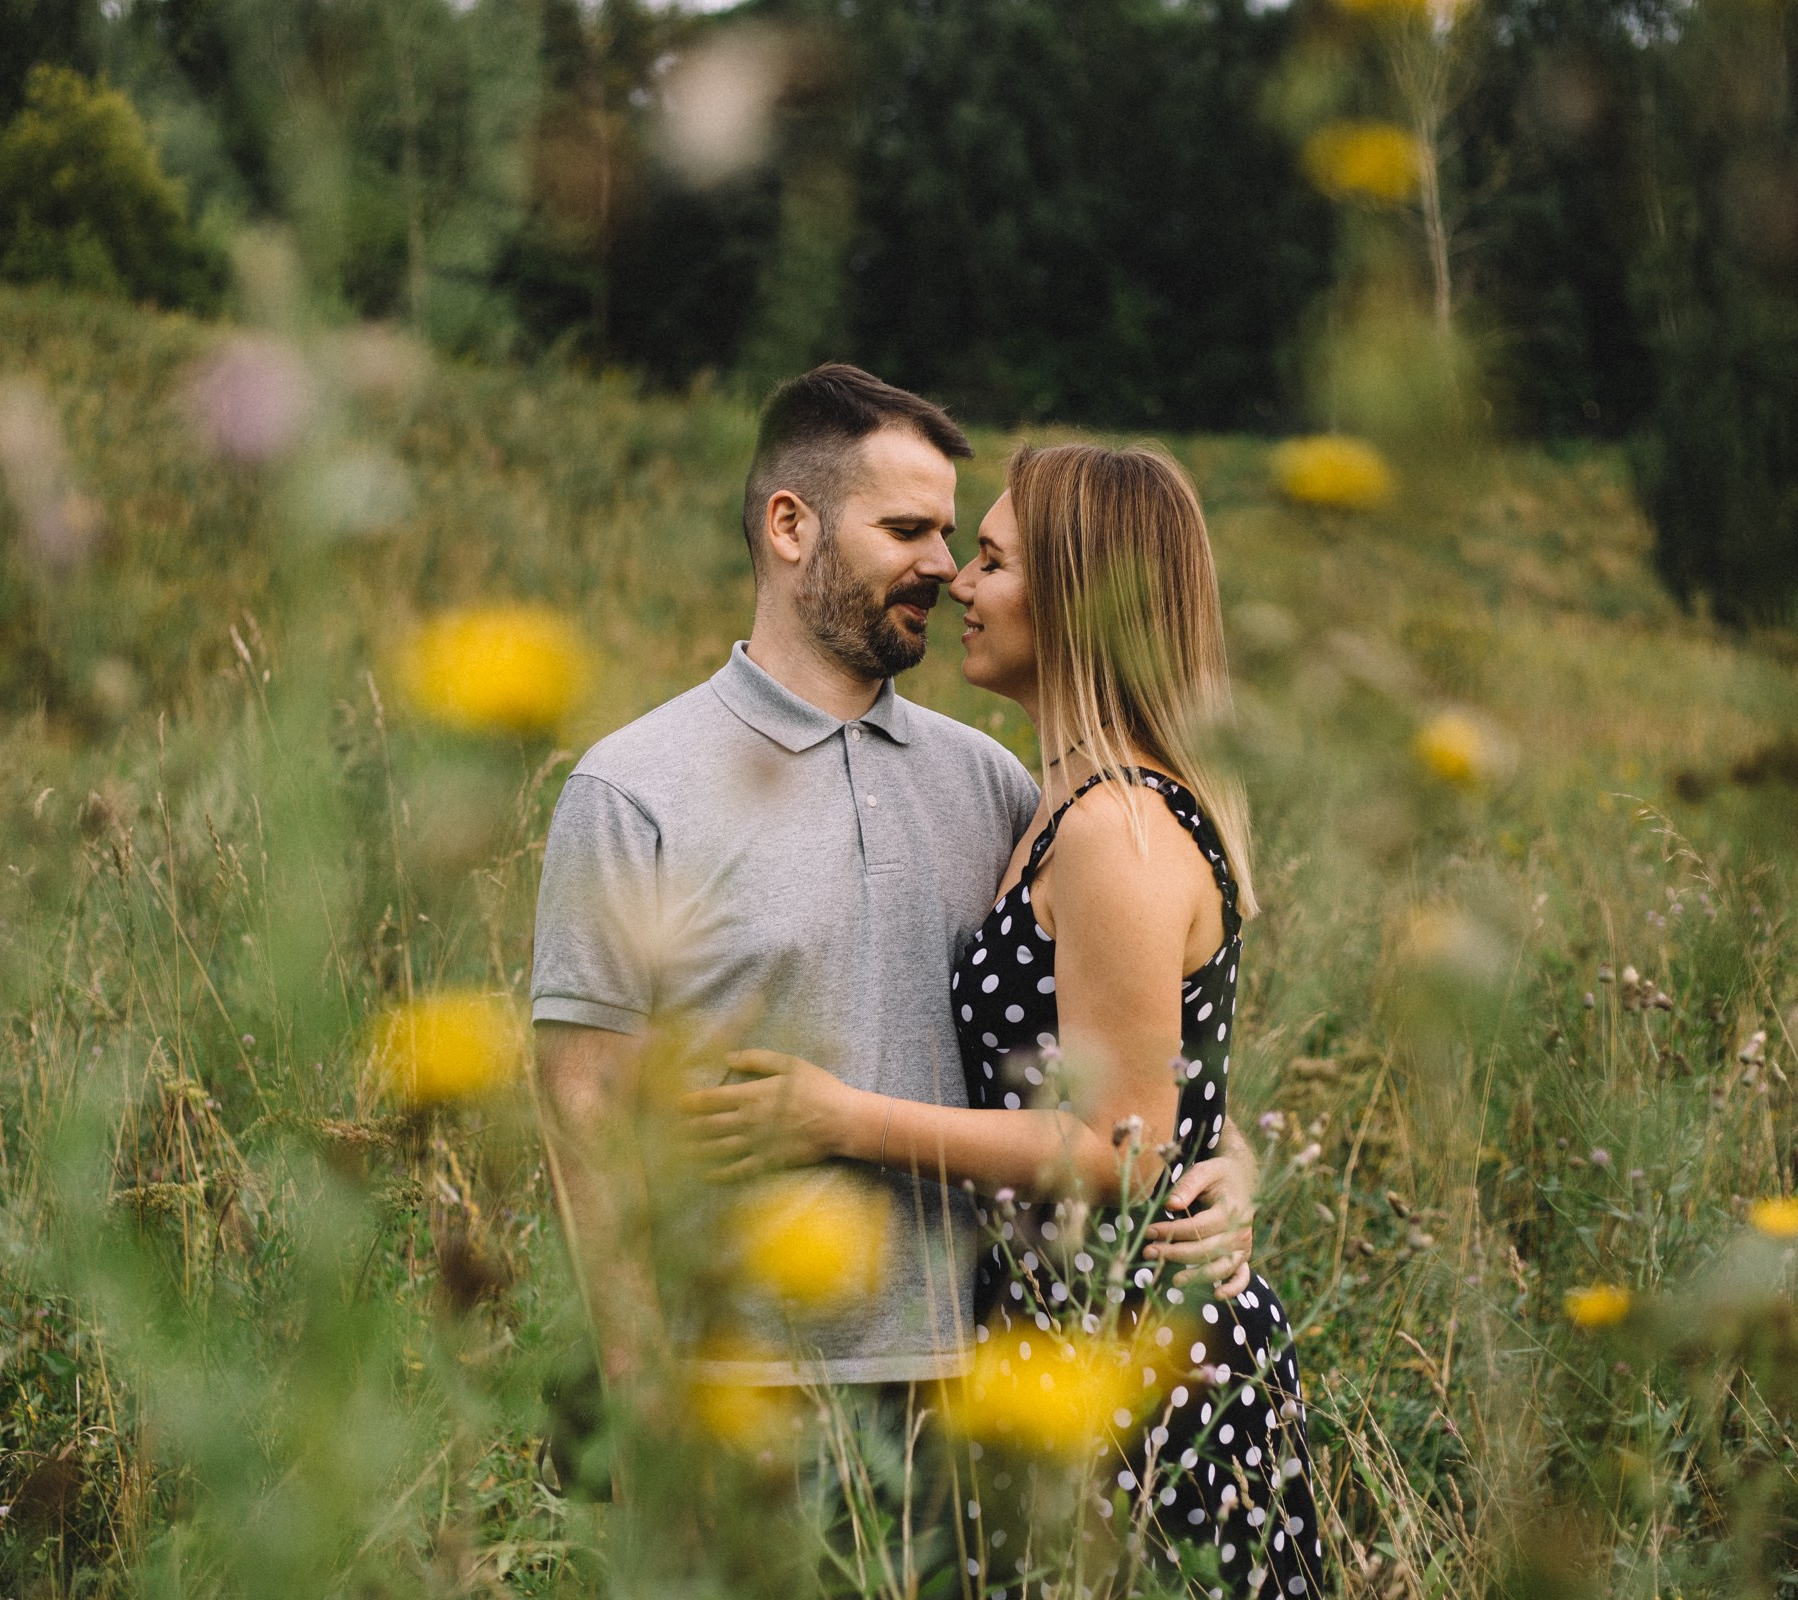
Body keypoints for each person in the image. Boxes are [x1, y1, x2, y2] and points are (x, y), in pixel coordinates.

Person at [529, 368, 1262, 1481]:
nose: (944, 566)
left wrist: (1228, 1160)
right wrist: (638, 1378)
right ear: (791, 526)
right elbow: (580, 1099)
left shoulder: (1002, 790)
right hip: (733, 1392)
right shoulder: (635, 787)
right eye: (908, 529)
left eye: (962, 539)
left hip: (970, 1385)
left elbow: (1129, 1059)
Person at [679, 442, 1324, 1597]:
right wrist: (1233, 1156)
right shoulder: (1053, 807)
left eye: (991, 560)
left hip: (1134, 1360)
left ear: (1080, 599)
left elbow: (1114, 1148)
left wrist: (833, 1116)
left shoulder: (1113, 835)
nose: (959, 585)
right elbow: (1170, 1092)